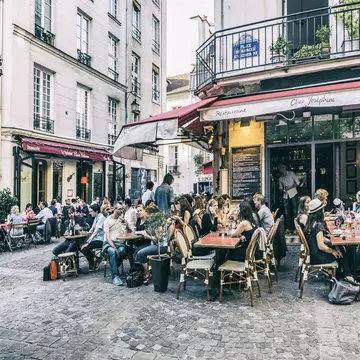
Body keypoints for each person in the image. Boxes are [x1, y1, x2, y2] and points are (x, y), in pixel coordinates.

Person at [305, 198, 360, 286]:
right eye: (322, 209)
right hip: (318, 257)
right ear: (319, 211)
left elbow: (320, 238)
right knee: (339, 253)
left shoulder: (311, 222)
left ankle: (346, 273)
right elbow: (321, 246)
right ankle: (348, 275)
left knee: (340, 248)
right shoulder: (318, 225)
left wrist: (331, 242)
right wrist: (332, 250)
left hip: (313, 253)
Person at [133, 206, 168, 285]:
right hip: (156, 245)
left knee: (141, 253)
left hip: (160, 247)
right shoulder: (157, 221)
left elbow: (158, 239)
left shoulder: (158, 222)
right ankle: (143, 271)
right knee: (138, 251)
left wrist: (147, 236)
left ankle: (147, 273)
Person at [103, 203, 130, 286]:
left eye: (122, 209)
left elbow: (129, 232)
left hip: (120, 243)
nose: (121, 211)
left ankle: (114, 266)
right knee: (112, 252)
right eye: (119, 209)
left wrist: (127, 225)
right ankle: (115, 276)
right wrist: (114, 248)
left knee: (122, 250)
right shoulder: (107, 221)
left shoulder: (121, 219)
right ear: (114, 209)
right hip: (109, 243)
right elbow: (107, 237)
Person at [80, 204, 106, 271]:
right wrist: (84, 233)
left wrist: (88, 242)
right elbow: (92, 229)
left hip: (102, 240)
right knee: (80, 245)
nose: (90, 213)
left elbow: (95, 232)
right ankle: (95, 259)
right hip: (96, 238)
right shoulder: (97, 217)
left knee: (84, 248)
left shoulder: (101, 218)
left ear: (96, 211)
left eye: (91, 211)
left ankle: (92, 263)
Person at [278, 164, 300, 234]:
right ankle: (288, 228)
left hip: (293, 194)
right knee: (287, 213)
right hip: (285, 196)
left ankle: (296, 228)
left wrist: (289, 187)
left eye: (282, 168)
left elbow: (298, 183)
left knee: (295, 211)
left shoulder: (291, 173)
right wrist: (282, 189)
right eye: (280, 169)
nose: (281, 170)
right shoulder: (280, 178)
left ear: (285, 168)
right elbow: (280, 188)